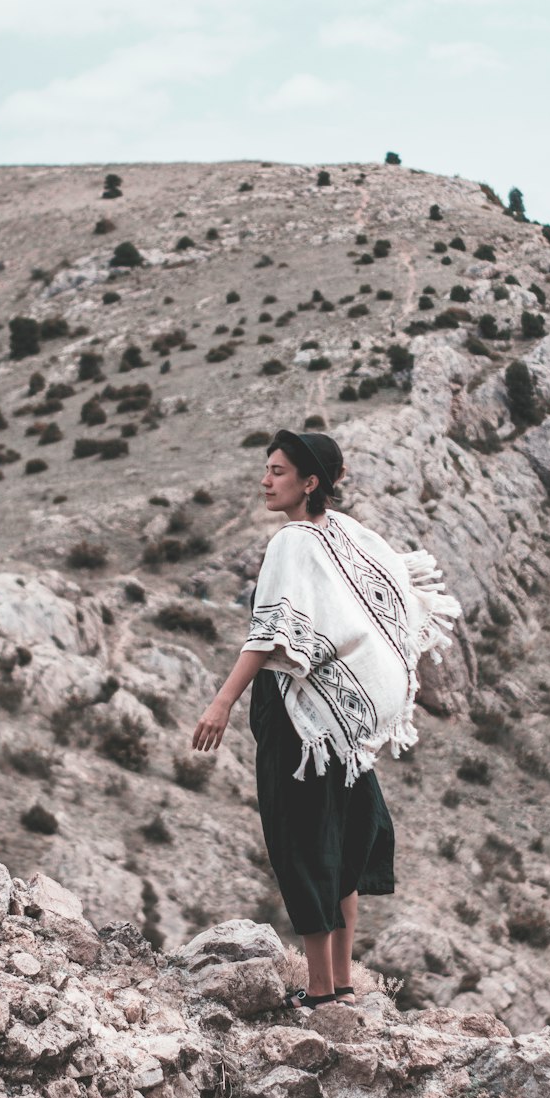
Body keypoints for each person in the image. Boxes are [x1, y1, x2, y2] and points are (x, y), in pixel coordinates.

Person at [191, 428, 460, 1010]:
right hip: (342, 726)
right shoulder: (348, 535)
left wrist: (222, 702)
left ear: (310, 482)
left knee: (303, 841)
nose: (266, 481)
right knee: (342, 839)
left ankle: (318, 991)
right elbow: (392, 600)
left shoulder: (293, 541)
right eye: (267, 469)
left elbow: (268, 634)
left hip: (298, 715)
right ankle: (339, 983)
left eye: (279, 472)